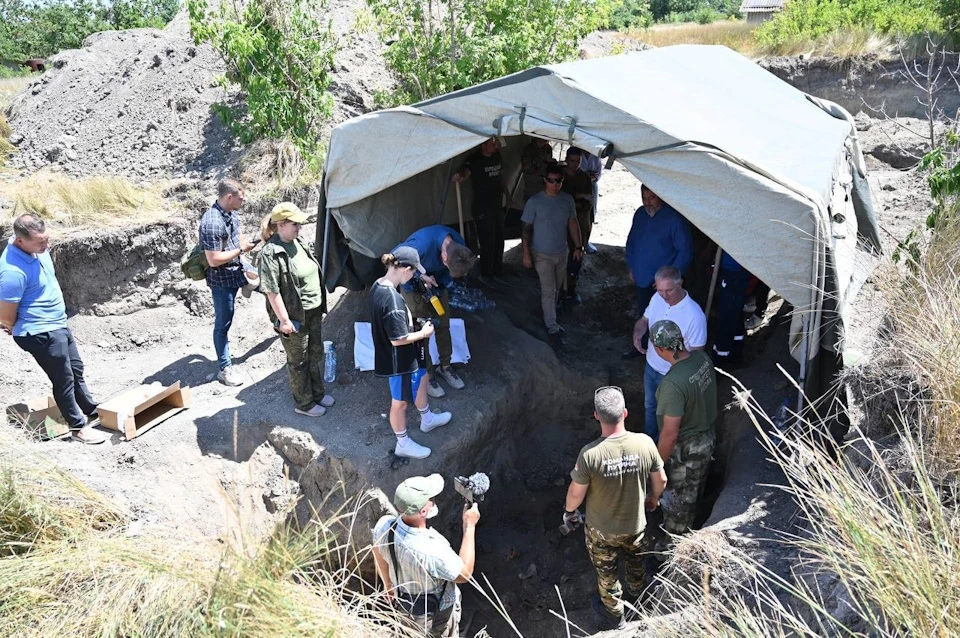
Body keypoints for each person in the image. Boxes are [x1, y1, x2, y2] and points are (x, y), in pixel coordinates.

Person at [564, 386, 667, 629]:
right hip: (636, 526)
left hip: (602, 532)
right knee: (636, 562)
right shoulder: (645, 443)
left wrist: (569, 512)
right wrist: (653, 499)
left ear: (596, 415)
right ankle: (637, 599)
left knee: (607, 574)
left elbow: (574, 495)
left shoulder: (590, 455)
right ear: (625, 413)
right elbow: (661, 480)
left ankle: (616, 617)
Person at [0, 214, 107, 444]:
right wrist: (12, 326)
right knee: (64, 378)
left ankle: (90, 409)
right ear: (20, 241)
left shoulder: (36, 249)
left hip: (57, 323)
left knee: (76, 368)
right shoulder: (11, 272)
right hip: (39, 332)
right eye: (40, 242)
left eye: (46, 239)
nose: (46, 246)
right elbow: (5, 315)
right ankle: (78, 428)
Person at [370, 248, 453, 459]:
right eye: (414, 272)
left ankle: (427, 419)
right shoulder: (393, 301)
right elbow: (397, 340)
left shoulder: (378, 286)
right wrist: (423, 333)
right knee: (400, 402)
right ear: (406, 269)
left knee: (423, 376)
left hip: (406, 355)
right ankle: (403, 442)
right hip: (398, 360)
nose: (414, 276)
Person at [372, 474, 480, 637]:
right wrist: (469, 526)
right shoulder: (432, 549)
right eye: (431, 497)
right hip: (439, 614)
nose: (434, 498)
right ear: (423, 510)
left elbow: (377, 550)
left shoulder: (384, 526)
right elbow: (464, 574)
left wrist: (388, 586)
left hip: (403, 604)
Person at [257, 202, 335, 417]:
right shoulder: (270, 253)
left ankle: (317, 394)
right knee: (298, 360)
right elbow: (271, 291)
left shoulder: (298, 242)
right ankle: (305, 404)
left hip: (313, 310)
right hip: (294, 316)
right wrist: (283, 320)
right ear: (280, 225)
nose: (299, 227)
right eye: (294, 224)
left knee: (315, 352)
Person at [650, 320, 718, 559]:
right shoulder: (702, 360)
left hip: (687, 450)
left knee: (678, 499)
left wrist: (656, 466)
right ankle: (689, 524)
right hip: (707, 436)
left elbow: (670, 433)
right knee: (695, 489)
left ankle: (673, 550)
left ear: (659, 349)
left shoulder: (672, 385)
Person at [393, 225, 475, 399]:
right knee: (421, 332)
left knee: (443, 325)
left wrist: (440, 283)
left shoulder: (458, 245)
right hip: (413, 287)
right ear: (444, 256)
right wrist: (419, 277)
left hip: (437, 285)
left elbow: (449, 271)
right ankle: (427, 375)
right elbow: (394, 260)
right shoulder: (421, 246)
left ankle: (445, 366)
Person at [631, 266, 706, 442]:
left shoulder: (694, 316)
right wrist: (638, 332)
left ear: (681, 284)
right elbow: (644, 321)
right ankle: (650, 442)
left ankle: (664, 453)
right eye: (660, 290)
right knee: (650, 407)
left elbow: (697, 356)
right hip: (651, 367)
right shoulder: (657, 299)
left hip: (673, 377)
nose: (664, 296)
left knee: (668, 417)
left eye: (669, 290)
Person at [623, 185, 692, 359]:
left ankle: (664, 354)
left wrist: (670, 280)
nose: (648, 203)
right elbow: (631, 243)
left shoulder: (674, 218)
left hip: (663, 284)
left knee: (665, 319)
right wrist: (632, 266)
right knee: (643, 313)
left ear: (660, 196)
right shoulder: (640, 214)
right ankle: (641, 348)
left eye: (652, 198)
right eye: (644, 198)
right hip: (642, 277)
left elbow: (685, 250)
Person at [199, 178, 256, 386]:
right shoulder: (212, 222)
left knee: (269, 285)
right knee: (223, 324)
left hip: (238, 268)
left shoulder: (232, 213)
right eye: (241, 198)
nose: (244, 200)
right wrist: (242, 250)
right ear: (229, 197)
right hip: (222, 279)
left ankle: (284, 328)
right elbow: (213, 260)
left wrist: (244, 248)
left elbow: (236, 240)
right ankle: (225, 369)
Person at [521, 163, 583, 347]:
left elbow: (573, 223)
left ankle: (550, 314)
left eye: (558, 181)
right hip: (542, 254)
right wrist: (526, 253)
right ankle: (552, 325)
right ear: (544, 180)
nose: (555, 185)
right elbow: (525, 229)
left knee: (556, 287)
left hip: (561, 251)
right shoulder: (534, 202)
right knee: (549, 289)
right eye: (551, 181)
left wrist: (578, 246)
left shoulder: (567, 200)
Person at [453, 137, 512, 284]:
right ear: (483, 145)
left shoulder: (497, 156)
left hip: (497, 204)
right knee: (487, 241)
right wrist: (460, 176)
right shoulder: (475, 159)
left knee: (499, 239)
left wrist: (508, 195)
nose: (495, 145)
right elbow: (466, 172)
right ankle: (486, 273)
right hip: (482, 207)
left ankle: (498, 270)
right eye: (492, 143)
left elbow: (501, 177)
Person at [561, 147, 594, 304]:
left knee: (577, 253)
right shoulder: (560, 176)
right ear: (567, 159)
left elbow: (588, 200)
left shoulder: (584, 178)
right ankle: (561, 288)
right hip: (561, 221)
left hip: (580, 220)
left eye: (578, 161)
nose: (575, 164)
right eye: (572, 161)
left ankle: (572, 288)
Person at [712, 251, 750, 368]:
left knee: (727, 316)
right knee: (735, 313)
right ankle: (736, 353)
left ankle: (720, 359)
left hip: (734, 271)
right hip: (737, 269)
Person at [579, 149, 603, 253]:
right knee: (579, 215)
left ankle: (586, 242)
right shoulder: (578, 153)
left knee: (590, 214)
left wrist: (587, 177)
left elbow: (597, 175)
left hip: (592, 187)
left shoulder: (595, 156)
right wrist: (588, 176)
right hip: (579, 187)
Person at [520, 137, 554, 205]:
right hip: (533, 187)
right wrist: (544, 165)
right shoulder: (528, 150)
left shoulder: (547, 148)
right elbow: (528, 171)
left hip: (546, 186)